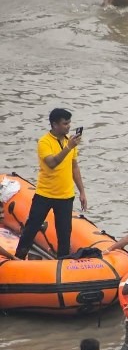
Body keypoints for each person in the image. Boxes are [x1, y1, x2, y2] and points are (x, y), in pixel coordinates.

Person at [15, 108, 87, 259]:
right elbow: (52, 163)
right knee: (32, 227)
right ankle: (19, 256)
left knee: (64, 232)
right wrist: (68, 148)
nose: (68, 126)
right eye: (65, 123)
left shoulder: (69, 142)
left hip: (66, 195)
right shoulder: (44, 142)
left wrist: (82, 191)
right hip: (45, 194)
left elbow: (74, 167)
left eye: (69, 123)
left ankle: (62, 262)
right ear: (54, 124)